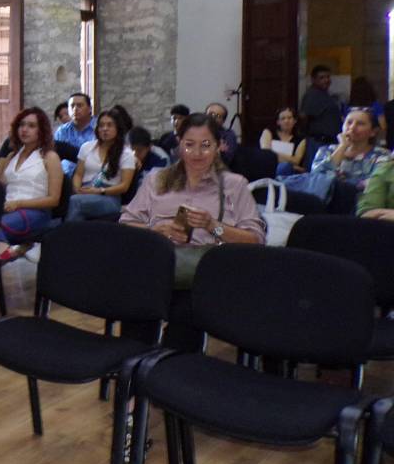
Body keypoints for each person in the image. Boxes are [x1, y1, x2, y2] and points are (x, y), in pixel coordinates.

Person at [121, 113, 264, 350]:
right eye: (189, 145)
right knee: (135, 320)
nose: (197, 153)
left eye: (206, 145)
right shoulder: (156, 179)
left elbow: (255, 240)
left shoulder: (234, 185)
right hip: (158, 269)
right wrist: (153, 229)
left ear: (218, 146)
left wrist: (213, 226)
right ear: (179, 145)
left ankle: (172, 375)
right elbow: (126, 223)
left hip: (205, 275)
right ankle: (134, 375)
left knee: (184, 322)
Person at [0, 107, 63, 318]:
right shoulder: (12, 155)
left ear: (41, 130)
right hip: (10, 210)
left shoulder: (50, 157)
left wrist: (19, 203)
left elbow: (54, 199)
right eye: (21, 125)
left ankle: (0, 260)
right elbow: (4, 185)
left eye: (31, 126)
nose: (25, 130)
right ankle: (3, 259)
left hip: (36, 211)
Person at [66, 109, 135, 221]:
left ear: (117, 128)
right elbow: (78, 174)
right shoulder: (86, 147)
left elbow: (124, 186)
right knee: (75, 202)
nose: (105, 129)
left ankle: (67, 235)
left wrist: (99, 191)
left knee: (75, 202)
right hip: (86, 190)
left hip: (109, 196)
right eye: (101, 125)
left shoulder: (126, 154)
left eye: (109, 125)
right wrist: (77, 188)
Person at [305, 107, 388, 193]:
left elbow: (376, 186)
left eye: (360, 124)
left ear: (373, 132)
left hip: (363, 203)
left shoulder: (382, 155)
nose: (352, 127)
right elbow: (316, 180)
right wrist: (342, 147)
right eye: (349, 122)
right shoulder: (326, 150)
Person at [54, 92, 95, 176]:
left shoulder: (99, 127)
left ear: (90, 109)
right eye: (72, 106)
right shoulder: (62, 131)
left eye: (79, 105)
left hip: (92, 177)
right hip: (66, 177)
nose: (75, 109)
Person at [259, 106, 307, 176]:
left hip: (287, 171)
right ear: (278, 122)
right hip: (268, 167)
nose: (286, 121)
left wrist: (274, 155)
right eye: (283, 118)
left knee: (285, 167)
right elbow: (266, 153)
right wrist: (291, 162)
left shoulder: (301, 139)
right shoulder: (268, 132)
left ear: (295, 121)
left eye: (289, 118)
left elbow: (296, 160)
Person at [301, 64, 342, 144]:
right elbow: (304, 117)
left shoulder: (326, 94)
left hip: (331, 140)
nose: (326, 80)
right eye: (322, 78)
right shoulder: (312, 95)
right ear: (313, 79)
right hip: (319, 141)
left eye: (328, 77)